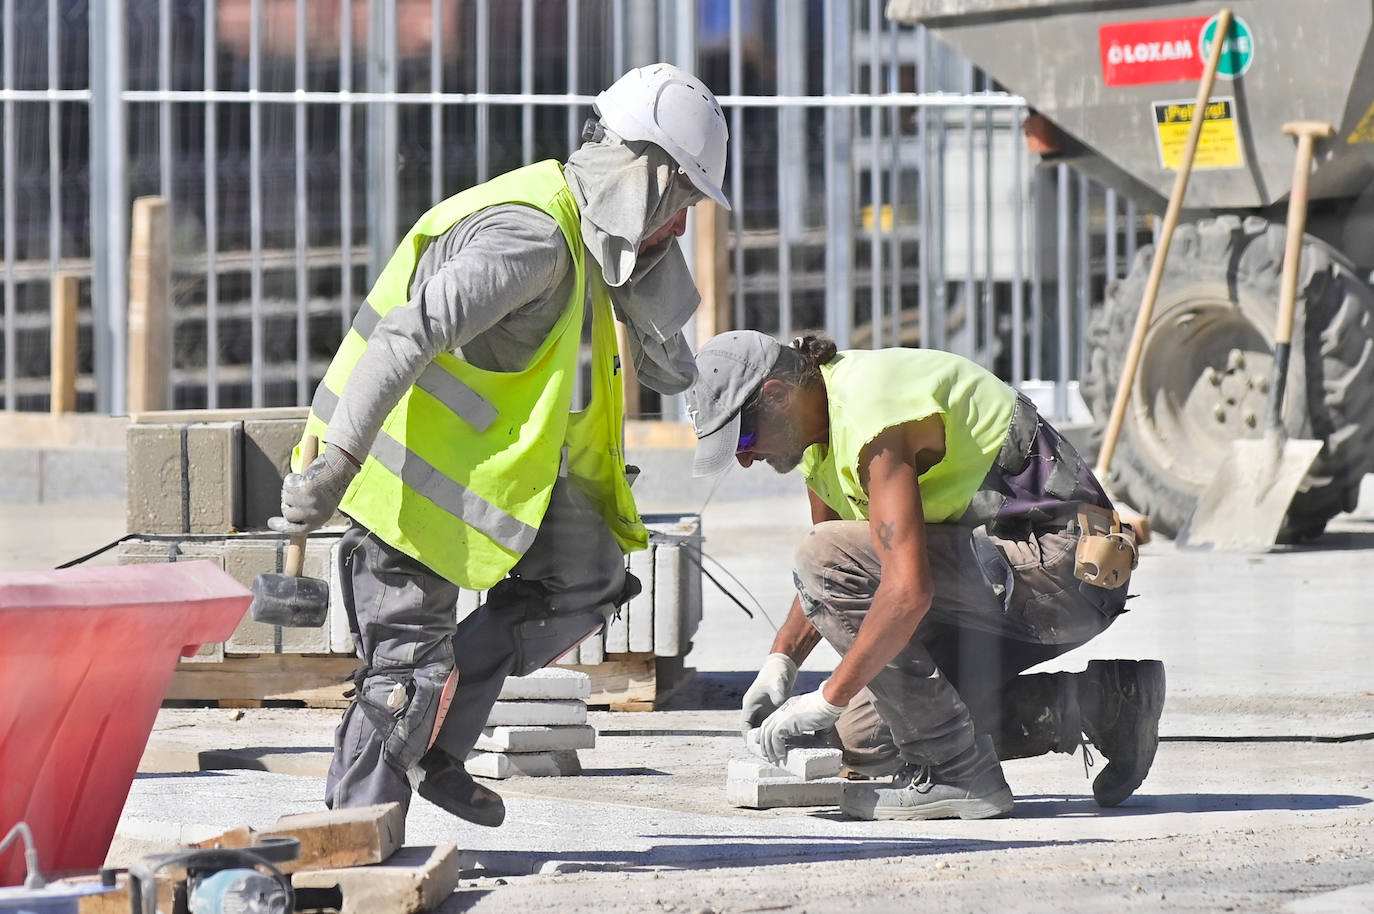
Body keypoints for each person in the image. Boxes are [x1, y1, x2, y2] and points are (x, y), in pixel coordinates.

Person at [269, 63, 730, 828]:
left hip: (481, 484)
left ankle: (440, 749)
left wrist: (658, 304)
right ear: (643, 177)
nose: (683, 223)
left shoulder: (587, 230)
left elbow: (665, 357)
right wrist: (335, 467)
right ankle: (354, 841)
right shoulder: (533, 238)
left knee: (584, 572)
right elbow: (405, 336)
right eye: (681, 200)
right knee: (403, 677)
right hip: (401, 480)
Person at [685, 330, 1165, 820]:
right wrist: (781, 662)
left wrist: (828, 697)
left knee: (825, 565)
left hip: (1064, 568)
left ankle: (959, 771)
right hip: (1005, 578)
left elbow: (898, 587)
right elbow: (834, 582)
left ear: (777, 396)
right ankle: (1105, 706)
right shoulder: (817, 441)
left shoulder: (873, 413)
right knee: (865, 737)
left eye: (743, 437)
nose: (744, 458)